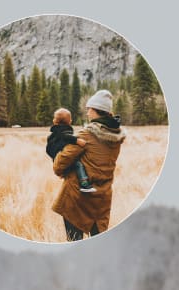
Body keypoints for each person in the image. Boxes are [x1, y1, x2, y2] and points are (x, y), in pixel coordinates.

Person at [51, 90, 126, 241]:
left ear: (97, 111)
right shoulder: (116, 136)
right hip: (102, 199)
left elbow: (59, 165)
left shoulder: (85, 135)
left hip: (78, 199)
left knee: (74, 245)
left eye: (89, 109)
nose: (87, 113)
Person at [46, 108, 96, 193]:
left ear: (54, 121)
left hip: (57, 156)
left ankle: (66, 174)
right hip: (59, 154)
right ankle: (84, 184)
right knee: (78, 165)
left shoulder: (55, 131)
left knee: (71, 167)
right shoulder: (61, 131)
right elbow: (65, 136)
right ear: (70, 121)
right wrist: (77, 140)